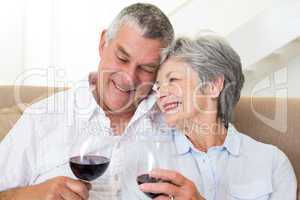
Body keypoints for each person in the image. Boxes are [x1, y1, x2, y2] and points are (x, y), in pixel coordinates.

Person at [0, 3, 174, 200]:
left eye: (147, 68)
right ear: (103, 44)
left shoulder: (178, 122)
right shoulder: (41, 118)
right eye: (122, 58)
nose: (129, 78)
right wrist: (22, 196)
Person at [139, 36, 297, 199]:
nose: (161, 94)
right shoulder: (149, 157)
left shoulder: (272, 162)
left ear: (212, 86)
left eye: (172, 79)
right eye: (158, 86)